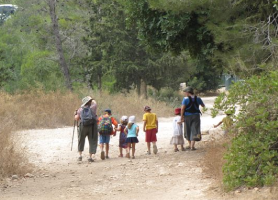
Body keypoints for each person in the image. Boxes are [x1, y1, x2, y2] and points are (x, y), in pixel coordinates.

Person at [74, 96, 98, 162]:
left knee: (81, 140)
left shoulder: (80, 109)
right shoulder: (93, 107)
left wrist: (75, 114)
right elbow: (95, 102)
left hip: (83, 126)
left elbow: (77, 118)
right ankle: (90, 157)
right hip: (92, 126)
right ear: (89, 102)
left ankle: (80, 155)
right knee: (92, 140)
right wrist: (91, 99)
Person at [181, 87, 205, 151]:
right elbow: (203, 105)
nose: (185, 93)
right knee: (195, 130)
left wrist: (182, 117)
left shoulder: (185, 99)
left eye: (185, 92)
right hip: (196, 116)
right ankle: (192, 146)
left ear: (188, 92)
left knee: (187, 130)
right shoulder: (198, 98)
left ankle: (189, 144)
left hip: (187, 116)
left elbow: (183, 108)